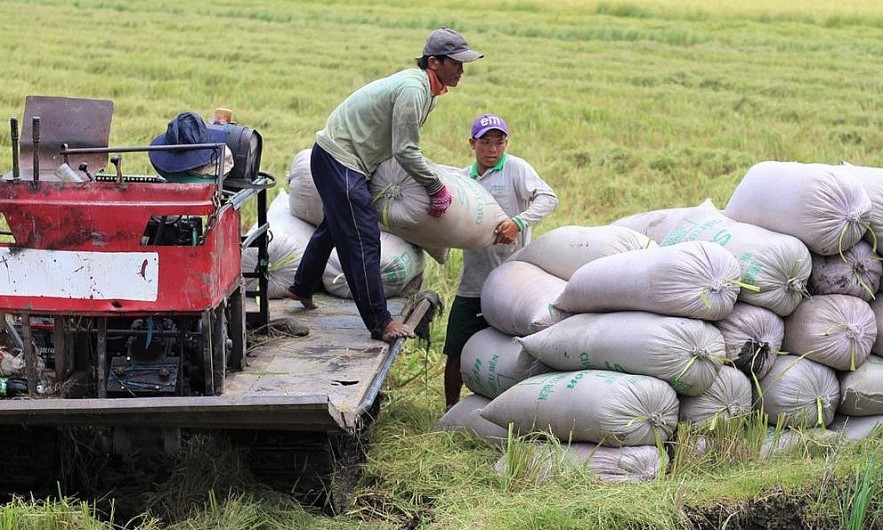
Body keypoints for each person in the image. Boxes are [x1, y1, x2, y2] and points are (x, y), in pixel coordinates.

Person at [286, 28, 484, 344]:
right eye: (456, 63)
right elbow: (405, 149)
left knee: (336, 226)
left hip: (341, 157)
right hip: (341, 160)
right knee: (363, 240)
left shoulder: (424, 88)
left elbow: (396, 144)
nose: (462, 70)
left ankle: (302, 285)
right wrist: (434, 187)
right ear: (434, 62)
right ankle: (380, 322)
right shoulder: (414, 90)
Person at [442, 113, 558, 409]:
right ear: (472, 144)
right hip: (474, 282)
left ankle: (514, 408)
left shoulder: (517, 169)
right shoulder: (464, 180)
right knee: (455, 349)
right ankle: (450, 410)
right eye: (486, 143)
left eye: (499, 142)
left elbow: (548, 198)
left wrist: (518, 222)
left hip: (513, 283)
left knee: (515, 352)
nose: (493, 149)